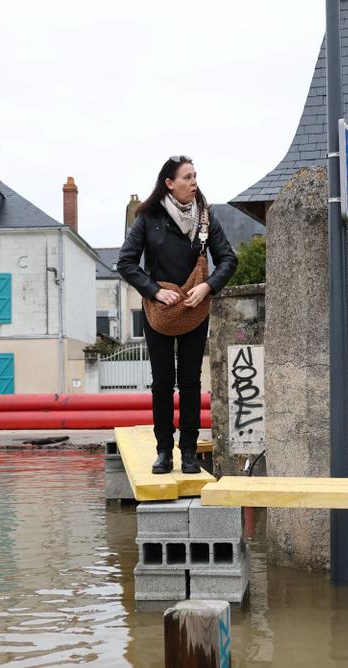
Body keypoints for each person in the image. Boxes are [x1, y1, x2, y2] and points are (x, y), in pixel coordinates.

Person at [117, 155, 237, 474]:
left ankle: (188, 452)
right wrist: (154, 290)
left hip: (195, 311)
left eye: (195, 175)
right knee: (162, 384)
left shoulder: (206, 219)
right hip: (159, 312)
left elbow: (228, 259)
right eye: (187, 177)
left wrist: (208, 287)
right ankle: (163, 452)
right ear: (169, 183)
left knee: (190, 382)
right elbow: (126, 263)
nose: (194, 181)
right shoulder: (148, 217)